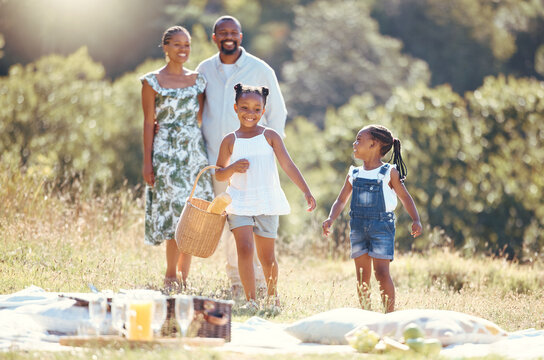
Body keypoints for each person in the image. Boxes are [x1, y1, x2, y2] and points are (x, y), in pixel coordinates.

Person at [196, 15, 288, 298]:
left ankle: (259, 285)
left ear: (241, 36)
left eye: (233, 32)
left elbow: (278, 113)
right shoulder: (204, 69)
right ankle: (236, 282)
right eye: (222, 32)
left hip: (252, 164)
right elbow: (197, 110)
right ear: (214, 37)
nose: (228, 37)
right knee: (228, 219)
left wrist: (268, 152)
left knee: (256, 224)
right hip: (216, 160)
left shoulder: (259, 69)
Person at [215, 83, 316, 308]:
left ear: (263, 110)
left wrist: (306, 191)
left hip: (266, 202)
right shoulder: (230, 140)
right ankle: (251, 300)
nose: (250, 113)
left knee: (267, 257)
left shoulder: (270, 136)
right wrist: (232, 169)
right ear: (235, 108)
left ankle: (272, 297)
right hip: (239, 202)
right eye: (245, 108)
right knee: (245, 250)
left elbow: (288, 165)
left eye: (256, 109)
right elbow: (219, 174)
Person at [140, 26, 213, 289]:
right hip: (165, 154)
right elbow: (149, 123)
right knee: (174, 215)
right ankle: (170, 275)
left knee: (192, 214)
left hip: (193, 152)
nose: (183, 50)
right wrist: (147, 162)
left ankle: (185, 278)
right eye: (177, 45)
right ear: (166, 47)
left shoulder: (199, 81)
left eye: (187, 45)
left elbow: (203, 118)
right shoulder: (151, 82)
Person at [322, 125, 422, 312]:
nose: (354, 143)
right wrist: (330, 219)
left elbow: (405, 197)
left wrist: (415, 219)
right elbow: (341, 200)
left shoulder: (389, 172)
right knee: (362, 275)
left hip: (381, 227)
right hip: (358, 227)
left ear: (374, 144)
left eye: (359, 139)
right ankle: (366, 314)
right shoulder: (354, 173)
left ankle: (389, 315)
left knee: (382, 273)